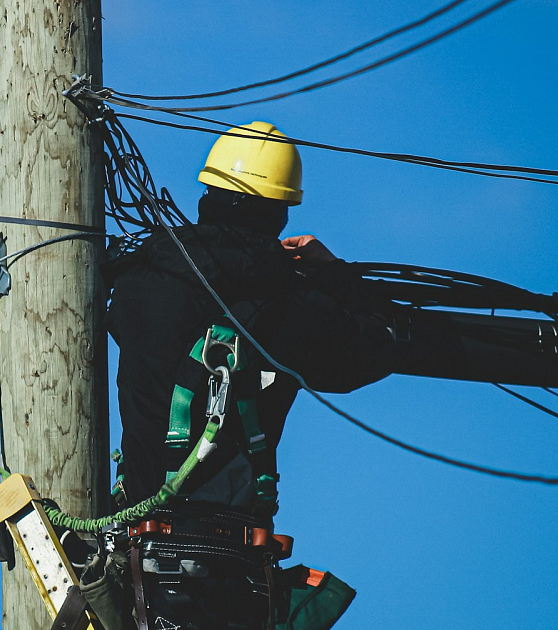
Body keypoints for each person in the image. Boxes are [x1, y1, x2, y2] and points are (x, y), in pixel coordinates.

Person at [104, 122, 397, 630]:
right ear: (280, 212)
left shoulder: (138, 278)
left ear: (207, 194)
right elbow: (378, 345)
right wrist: (333, 274)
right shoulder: (292, 301)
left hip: (135, 566)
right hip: (230, 578)